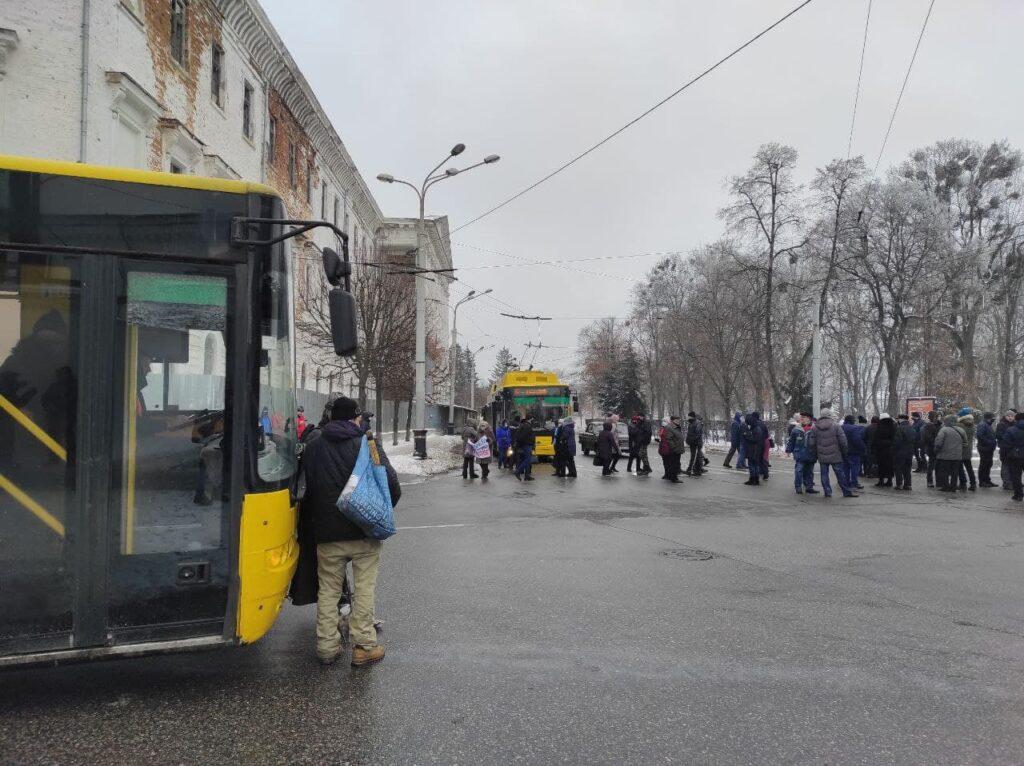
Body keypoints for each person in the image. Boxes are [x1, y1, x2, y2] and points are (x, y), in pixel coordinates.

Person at [301, 396, 400, 667]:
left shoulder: (313, 446)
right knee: (364, 588)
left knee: (329, 591)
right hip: (363, 532)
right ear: (356, 418)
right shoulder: (368, 445)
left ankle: (326, 646)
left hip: (327, 536)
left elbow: (304, 490)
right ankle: (364, 646)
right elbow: (391, 485)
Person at [808, 409, 854, 498]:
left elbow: (811, 443)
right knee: (840, 474)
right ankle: (846, 491)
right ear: (830, 415)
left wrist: (815, 454)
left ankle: (827, 492)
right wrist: (844, 452)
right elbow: (843, 441)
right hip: (836, 454)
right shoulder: (836, 426)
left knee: (824, 474)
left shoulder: (814, 427)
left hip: (822, 455)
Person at [785, 412, 818, 495]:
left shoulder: (815, 429)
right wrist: (788, 450)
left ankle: (809, 487)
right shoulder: (796, 429)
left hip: (811, 454)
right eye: (801, 417)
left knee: (809, 472)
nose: (802, 418)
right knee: (799, 470)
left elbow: (819, 441)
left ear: (809, 419)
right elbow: (791, 441)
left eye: (804, 417)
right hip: (799, 454)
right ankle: (798, 487)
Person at [933, 415, 966, 493]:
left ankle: (945, 486)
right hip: (957, 456)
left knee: (944, 472)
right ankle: (953, 486)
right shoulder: (961, 430)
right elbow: (965, 442)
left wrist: (936, 450)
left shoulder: (943, 430)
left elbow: (939, 442)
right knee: (955, 472)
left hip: (945, 455)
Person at [999, 412, 1024, 502]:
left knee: (1016, 476)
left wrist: (1003, 455)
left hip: (1015, 457)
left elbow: (1005, 445)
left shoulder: (1011, 430)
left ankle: (1018, 495)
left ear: (1016, 419)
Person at [892, 413, 919, 490]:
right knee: (907, 469)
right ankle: (908, 485)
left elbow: (897, 441)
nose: (898, 420)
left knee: (898, 468)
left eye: (898, 419)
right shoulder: (912, 428)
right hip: (910, 451)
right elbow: (916, 440)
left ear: (901, 419)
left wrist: (893, 450)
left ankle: (899, 484)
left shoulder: (899, 428)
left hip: (900, 452)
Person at [741, 411, 768, 486]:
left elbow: (754, 439)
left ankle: (753, 479)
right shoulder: (756, 428)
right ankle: (755, 479)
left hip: (754, 449)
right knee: (755, 464)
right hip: (756, 449)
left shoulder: (756, 429)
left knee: (752, 464)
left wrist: (746, 435)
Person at [841, 414, 866, 490]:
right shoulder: (855, 428)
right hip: (854, 452)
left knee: (845, 468)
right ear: (852, 421)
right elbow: (857, 440)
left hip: (843, 451)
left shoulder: (840, 427)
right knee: (855, 468)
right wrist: (863, 447)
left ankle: (846, 482)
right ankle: (854, 483)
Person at [955, 408, 977, 491]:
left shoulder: (959, 425)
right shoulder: (972, 424)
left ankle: (963, 484)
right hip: (968, 449)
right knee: (969, 467)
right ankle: (973, 483)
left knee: (960, 468)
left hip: (961, 448)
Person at [873, 414, 896, 487]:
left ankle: (881, 481)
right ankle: (889, 481)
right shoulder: (893, 427)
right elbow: (895, 438)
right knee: (890, 466)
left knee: (881, 465)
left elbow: (876, 439)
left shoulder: (879, 427)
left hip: (881, 450)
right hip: (890, 450)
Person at [976, 412, 998, 488]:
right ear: (988, 418)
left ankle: (987, 480)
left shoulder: (988, 425)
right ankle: (982, 481)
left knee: (988, 464)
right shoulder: (982, 425)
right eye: (992, 418)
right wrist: (989, 442)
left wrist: (993, 443)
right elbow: (980, 436)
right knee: (984, 465)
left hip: (988, 448)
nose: (993, 419)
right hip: (984, 448)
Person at [997, 410, 1018, 490]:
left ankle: (1012, 482)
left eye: (1012, 416)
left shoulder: (1015, 424)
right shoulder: (1001, 425)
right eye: (1008, 416)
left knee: (1012, 467)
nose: (1010, 417)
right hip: (1005, 448)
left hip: (1013, 449)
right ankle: (1007, 483)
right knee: (1005, 466)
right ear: (1005, 416)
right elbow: (999, 436)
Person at [661, 415, 686, 483]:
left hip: (677, 449)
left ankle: (671, 476)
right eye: (676, 420)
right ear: (672, 421)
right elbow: (669, 439)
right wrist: (674, 447)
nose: (678, 421)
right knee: (674, 464)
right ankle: (674, 478)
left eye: (678, 420)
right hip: (674, 450)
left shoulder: (677, 427)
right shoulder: (670, 427)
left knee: (675, 464)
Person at [922, 411, 942, 488]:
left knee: (938, 465)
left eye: (939, 416)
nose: (938, 417)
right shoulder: (928, 426)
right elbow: (927, 438)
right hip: (931, 448)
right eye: (937, 416)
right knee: (931, 465)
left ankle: (938, 481)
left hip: (938, 447)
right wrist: (935, 442)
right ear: (933, 417)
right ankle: (930, 481)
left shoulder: (940, 424)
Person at [513, 415, 536, 481]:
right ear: (530, 419)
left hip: (524, 445)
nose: (533, 420)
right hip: (527, 445)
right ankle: (518, 471)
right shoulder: (527, 426)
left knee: (526, 460)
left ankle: (527, 476)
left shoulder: (524, 425)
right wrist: (528, 442)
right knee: (527, 460)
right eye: (532, 419)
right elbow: (524, 436)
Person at [685, 412, 705, 476]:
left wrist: (691, 440)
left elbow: (698, 434)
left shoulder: (697, 423)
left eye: (689, 416)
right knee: (694, 456)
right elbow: (689, 433)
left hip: (696, 443)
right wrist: (688, 440)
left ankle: (695, 470)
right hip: (693, 442)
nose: (687, 417)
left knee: (696, 457)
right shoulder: (691, 423)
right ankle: (693, 469)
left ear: (692, 417)